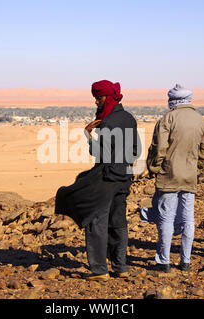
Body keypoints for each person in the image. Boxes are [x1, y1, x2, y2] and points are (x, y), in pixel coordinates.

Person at [55, 80, 139, 281]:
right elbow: (135, 150)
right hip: (125, 176)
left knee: (96, 220)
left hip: (107, 175)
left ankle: (100, 270)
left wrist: (88, 134)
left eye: (98, 98)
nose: (96, 102)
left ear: (107, 98)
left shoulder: (107, 122)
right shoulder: (129, 118)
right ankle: (121, 266)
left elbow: (100, 152)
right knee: (118, 220)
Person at [140, 84, 204, 272]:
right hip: (190, 176)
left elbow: (159, 148)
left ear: (172, 99)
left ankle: (164, 261)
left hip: (169, 175)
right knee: (188, 218)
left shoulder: (167, 119)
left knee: (166, 218)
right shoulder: (200, 120)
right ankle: (185, 260)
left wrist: (154, 167)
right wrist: (197, 167)